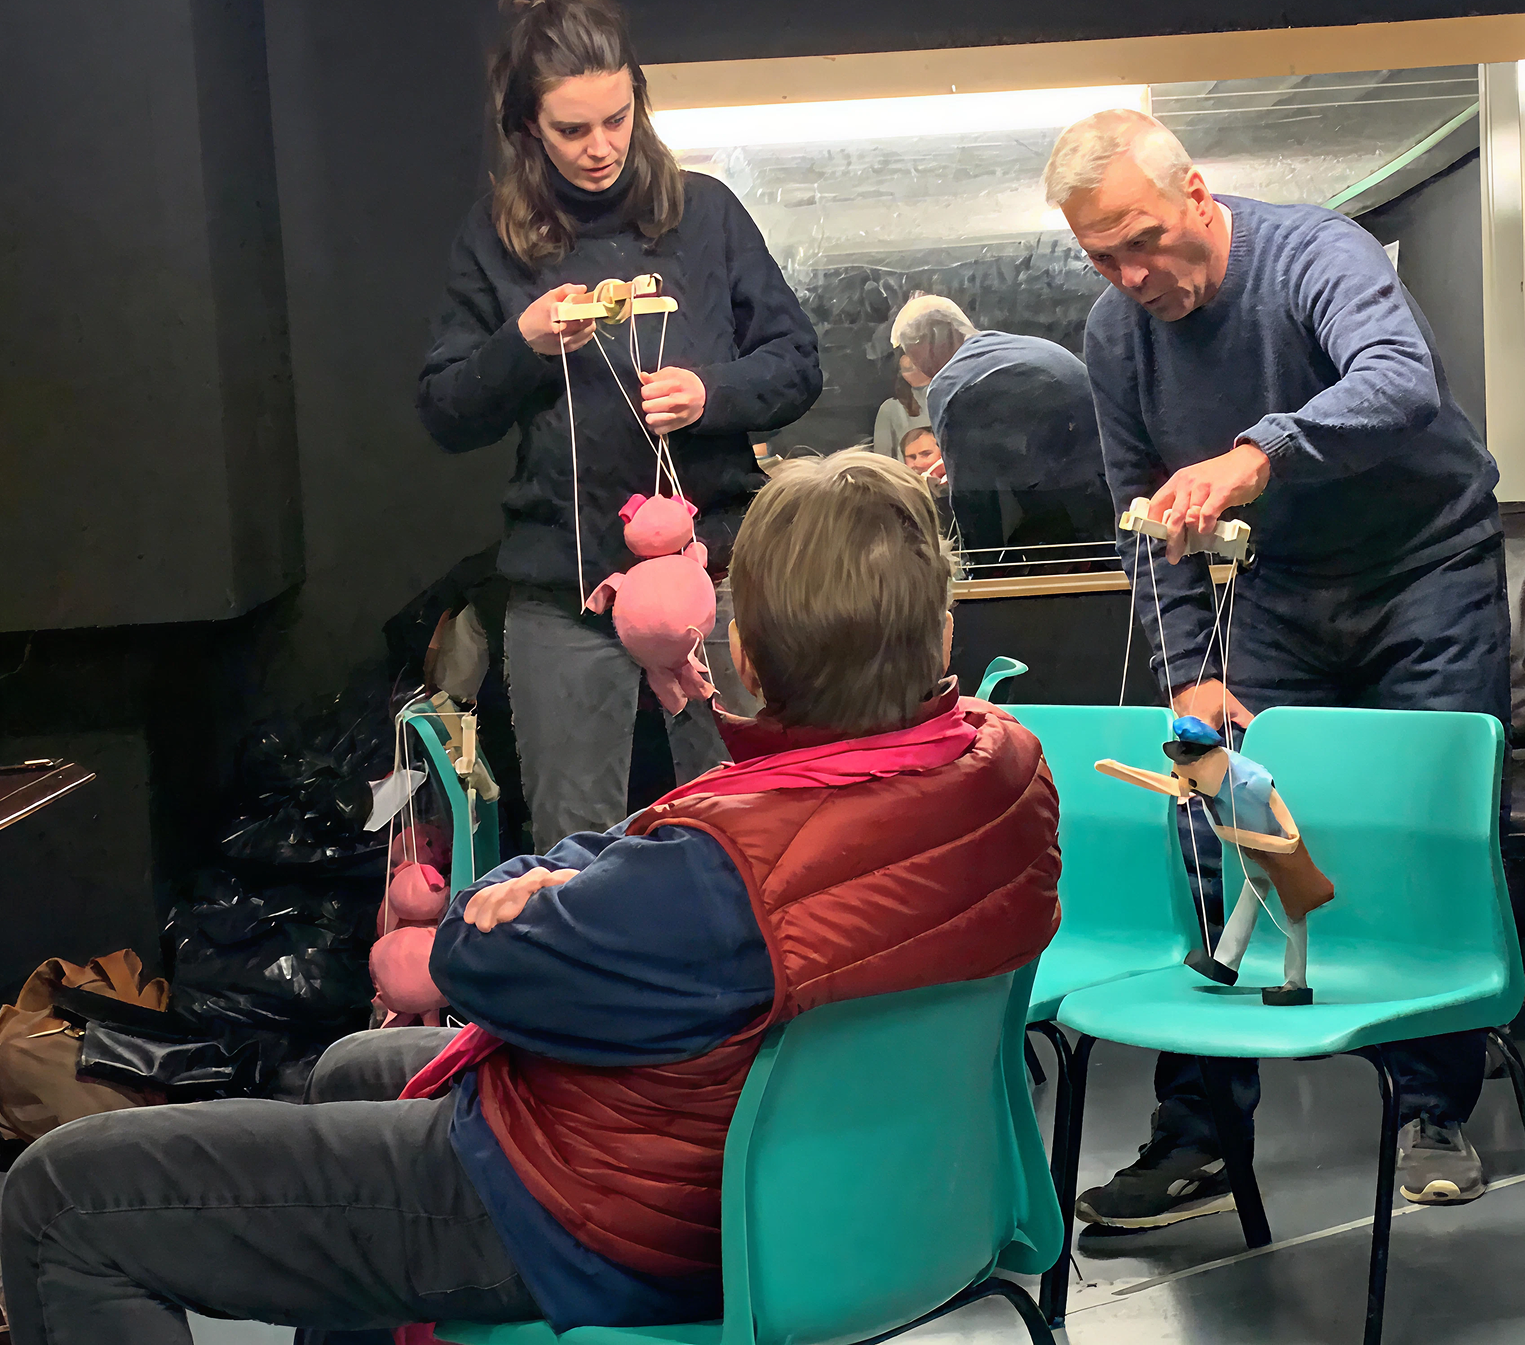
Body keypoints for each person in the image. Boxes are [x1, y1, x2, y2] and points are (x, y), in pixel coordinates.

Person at [0, 451, 1062, 1344]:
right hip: (841, 1192)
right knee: (354, 1067)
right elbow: (647, 878)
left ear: (742, 647)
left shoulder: (718, 875)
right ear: (940, 632)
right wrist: (589, 880)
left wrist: (535, 882)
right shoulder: (1004, 772)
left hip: (616, 1216)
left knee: (60, 1199)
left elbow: (473, 961)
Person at [1044, 110, 1508, 1227]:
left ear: (1197, 195)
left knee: (1427, 832)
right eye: (1102, 257)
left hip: (1425, 568)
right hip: (1277, 594)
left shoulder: (1313, 255)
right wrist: (1186, 672)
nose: (1131, 275)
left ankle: (1432, 1107)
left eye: (1144, 241)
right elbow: (1144, 521)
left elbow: (1399, 378)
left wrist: (1260, 451)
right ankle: (1199, 1131)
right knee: (1217, 819)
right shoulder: (1116, 336)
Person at [415, 0, 820, 849]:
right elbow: (445, 412)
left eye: (617, 118)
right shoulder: (494, 237)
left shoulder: (706, 213)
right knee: (575, 846)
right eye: (572, 129)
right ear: (528, 126)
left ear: (639, 98)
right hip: (566, 589)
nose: (601, 147)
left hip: (719, 571)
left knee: (755, 830)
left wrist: (712, 394)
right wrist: (520, 343)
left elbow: (797, 365)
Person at [890, 295, 1111, 558]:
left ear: (929, 341)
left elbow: (972, 498)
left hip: (1075, 524)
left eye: (910, 351)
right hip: (1112, 500)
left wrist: (981, 566)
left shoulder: (950, 384)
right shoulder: (1031, 347)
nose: (914, 363)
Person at [872, 352, 932, 457]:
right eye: (908, 369)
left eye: (920, 366)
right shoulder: (890, 408)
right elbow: (883, 456)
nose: (916, 372)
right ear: (900, 374)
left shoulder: (950, 397)